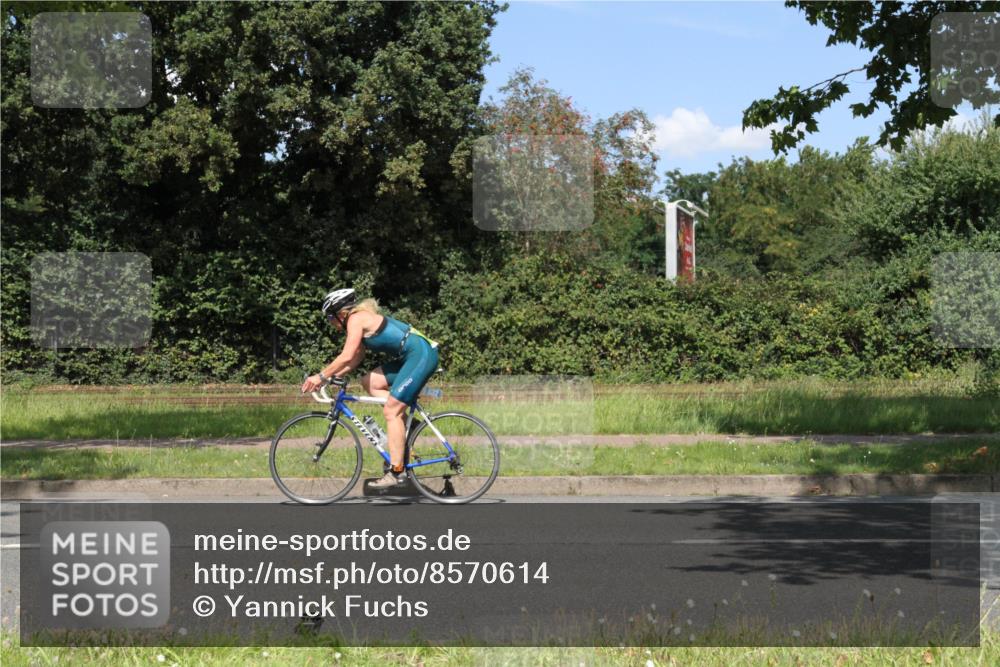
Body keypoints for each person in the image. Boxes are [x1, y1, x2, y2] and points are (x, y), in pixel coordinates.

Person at [301, 288, 439, 488]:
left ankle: (397, 471)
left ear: (341, 313)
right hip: (410, 356)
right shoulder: (358, 321)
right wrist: (329, 378)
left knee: (391, 410)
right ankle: (410, 424)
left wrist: (321, 375)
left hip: (421, 354)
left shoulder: (356, 320)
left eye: (330, 317)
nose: (330, 323)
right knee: (369, 382)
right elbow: (355, 358)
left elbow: (346, 356)